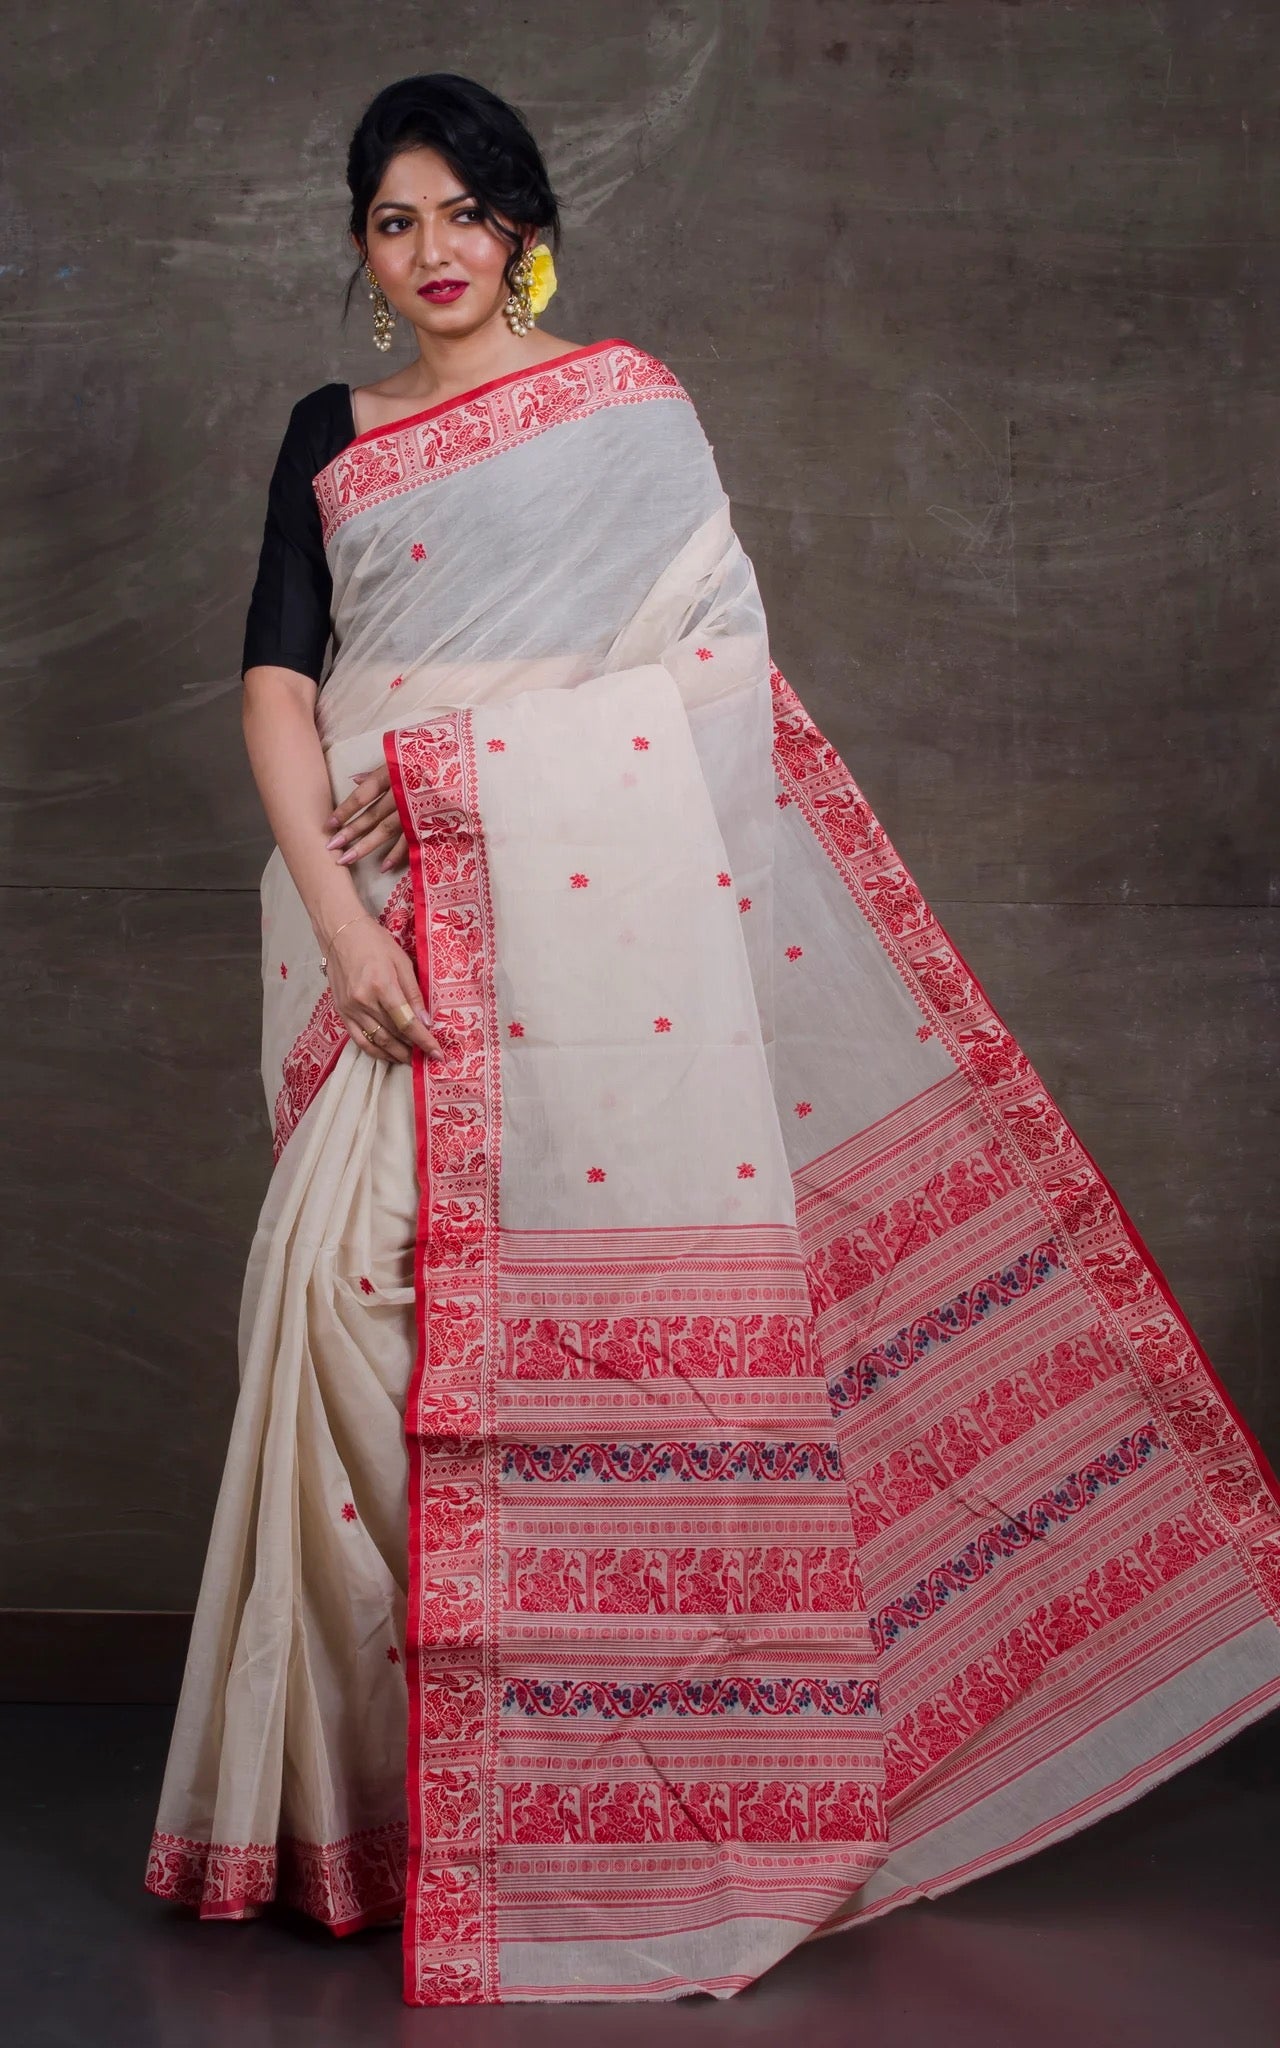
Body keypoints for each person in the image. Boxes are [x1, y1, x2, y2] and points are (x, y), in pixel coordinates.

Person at [144, 71, 1280, 2008]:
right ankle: (380, 1815)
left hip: (575, 929)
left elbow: (711, 688)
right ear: (358, 251)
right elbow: (271, 680)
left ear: (523, 226)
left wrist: (445, 777)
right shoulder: (328, 432)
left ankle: (569, 1813)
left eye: (460, 214)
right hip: (370, 932)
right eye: (391, 222)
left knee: (499, 1343)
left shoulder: (627, 410)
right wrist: (344, 918)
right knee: (339, 1318)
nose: (428, 254)